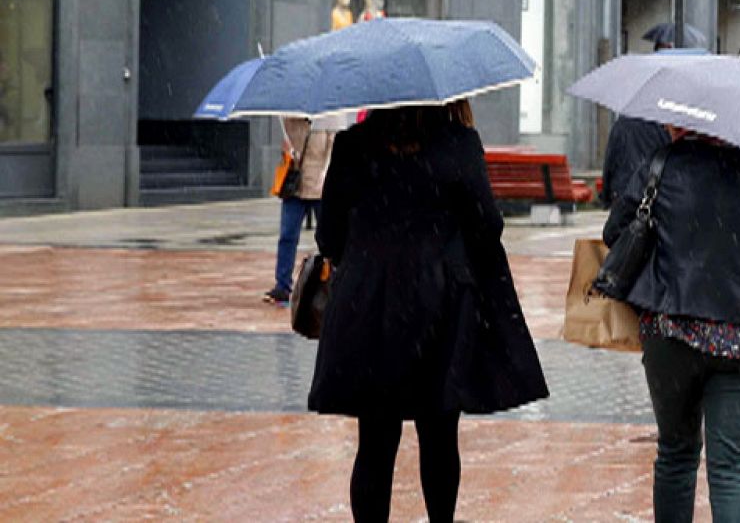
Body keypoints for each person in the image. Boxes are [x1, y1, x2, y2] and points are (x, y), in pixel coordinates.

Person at [309, 101, 548, 523]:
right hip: (440, 305)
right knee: (438, 434)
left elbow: (328, 236)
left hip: (370, 305)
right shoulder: (458, 144)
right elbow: (488, 225)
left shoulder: (353, 145)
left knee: (375, 441)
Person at [604, 128, 740, 523]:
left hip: (671, 330)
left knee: (676, 452)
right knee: (730, 466)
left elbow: (614, 234)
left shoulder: (660, 166)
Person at [264, 116, 336, 305]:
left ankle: (333, 281)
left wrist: (325, 172)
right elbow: (285, 150)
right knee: (287, 236)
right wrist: (288, 149)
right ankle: (282, 285)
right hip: (294, 187)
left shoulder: (329, 118)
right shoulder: (289, 119)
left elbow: (332, 146)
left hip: (320, 189)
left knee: (328, 239)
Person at [599, 116, 671, 209]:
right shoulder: (663, 125)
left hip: (624, 191)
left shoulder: (622, 125)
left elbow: (610, 160)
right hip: (653, 190)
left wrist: (605, 196)